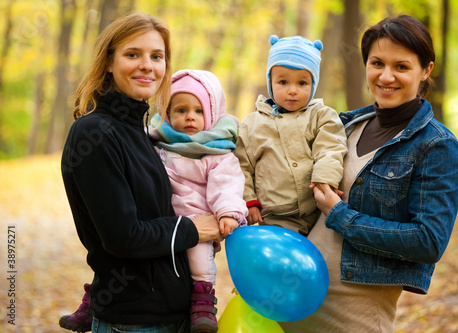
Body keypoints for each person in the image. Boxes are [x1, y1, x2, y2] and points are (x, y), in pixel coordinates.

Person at [280, 15, 458, 333]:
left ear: (426, 71)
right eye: (377, 62)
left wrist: (340, 215)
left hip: (353, 318)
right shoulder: (343, 127)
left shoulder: (437, 146)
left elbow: (428, 240)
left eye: (402, 67)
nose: (386, 76)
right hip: (291, 300)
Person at [59, 13, 222, 333]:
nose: (147, 65)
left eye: (157, 56)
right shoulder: (96, 134)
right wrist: (192, 229)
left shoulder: (143, 135)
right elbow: (124, 237)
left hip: (173, 316)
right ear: (108, 62)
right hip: (133, 322)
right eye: (133, 54)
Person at [148, 69, 248, 332]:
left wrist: (227, 212)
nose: (190, 116)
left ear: (211, 114)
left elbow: (227, 185)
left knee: (199, 260)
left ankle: (203, 301)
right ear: (168, 114)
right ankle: (96, 300)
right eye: (181, 110)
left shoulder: (216, 153)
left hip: (196, 221)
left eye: (198, 111)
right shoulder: (158, 143)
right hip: (162, 222)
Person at [234, 35, 347, 236]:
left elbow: (331, 147)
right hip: (271, 217)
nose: (292, 90)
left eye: (302, 83)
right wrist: (248, 200)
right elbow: (241, 165)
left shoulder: (321, 116)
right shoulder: (252, 124)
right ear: (270, 82)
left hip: (317, 211)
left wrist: (325, 180)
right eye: (283, 82)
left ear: (313, 85)